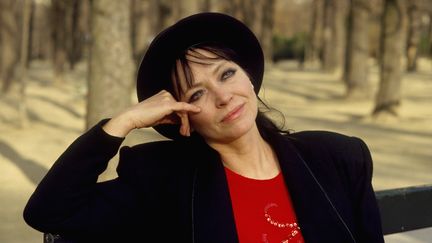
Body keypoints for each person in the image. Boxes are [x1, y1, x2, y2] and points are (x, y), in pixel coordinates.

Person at [24, 13, 384, 243]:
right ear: (183, 116)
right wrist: (123, 122)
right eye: (198, 93)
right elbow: (48, 212)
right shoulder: (161, 181)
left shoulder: (338, 158)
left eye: (227, 74)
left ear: (249, 79)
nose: (224, 97)